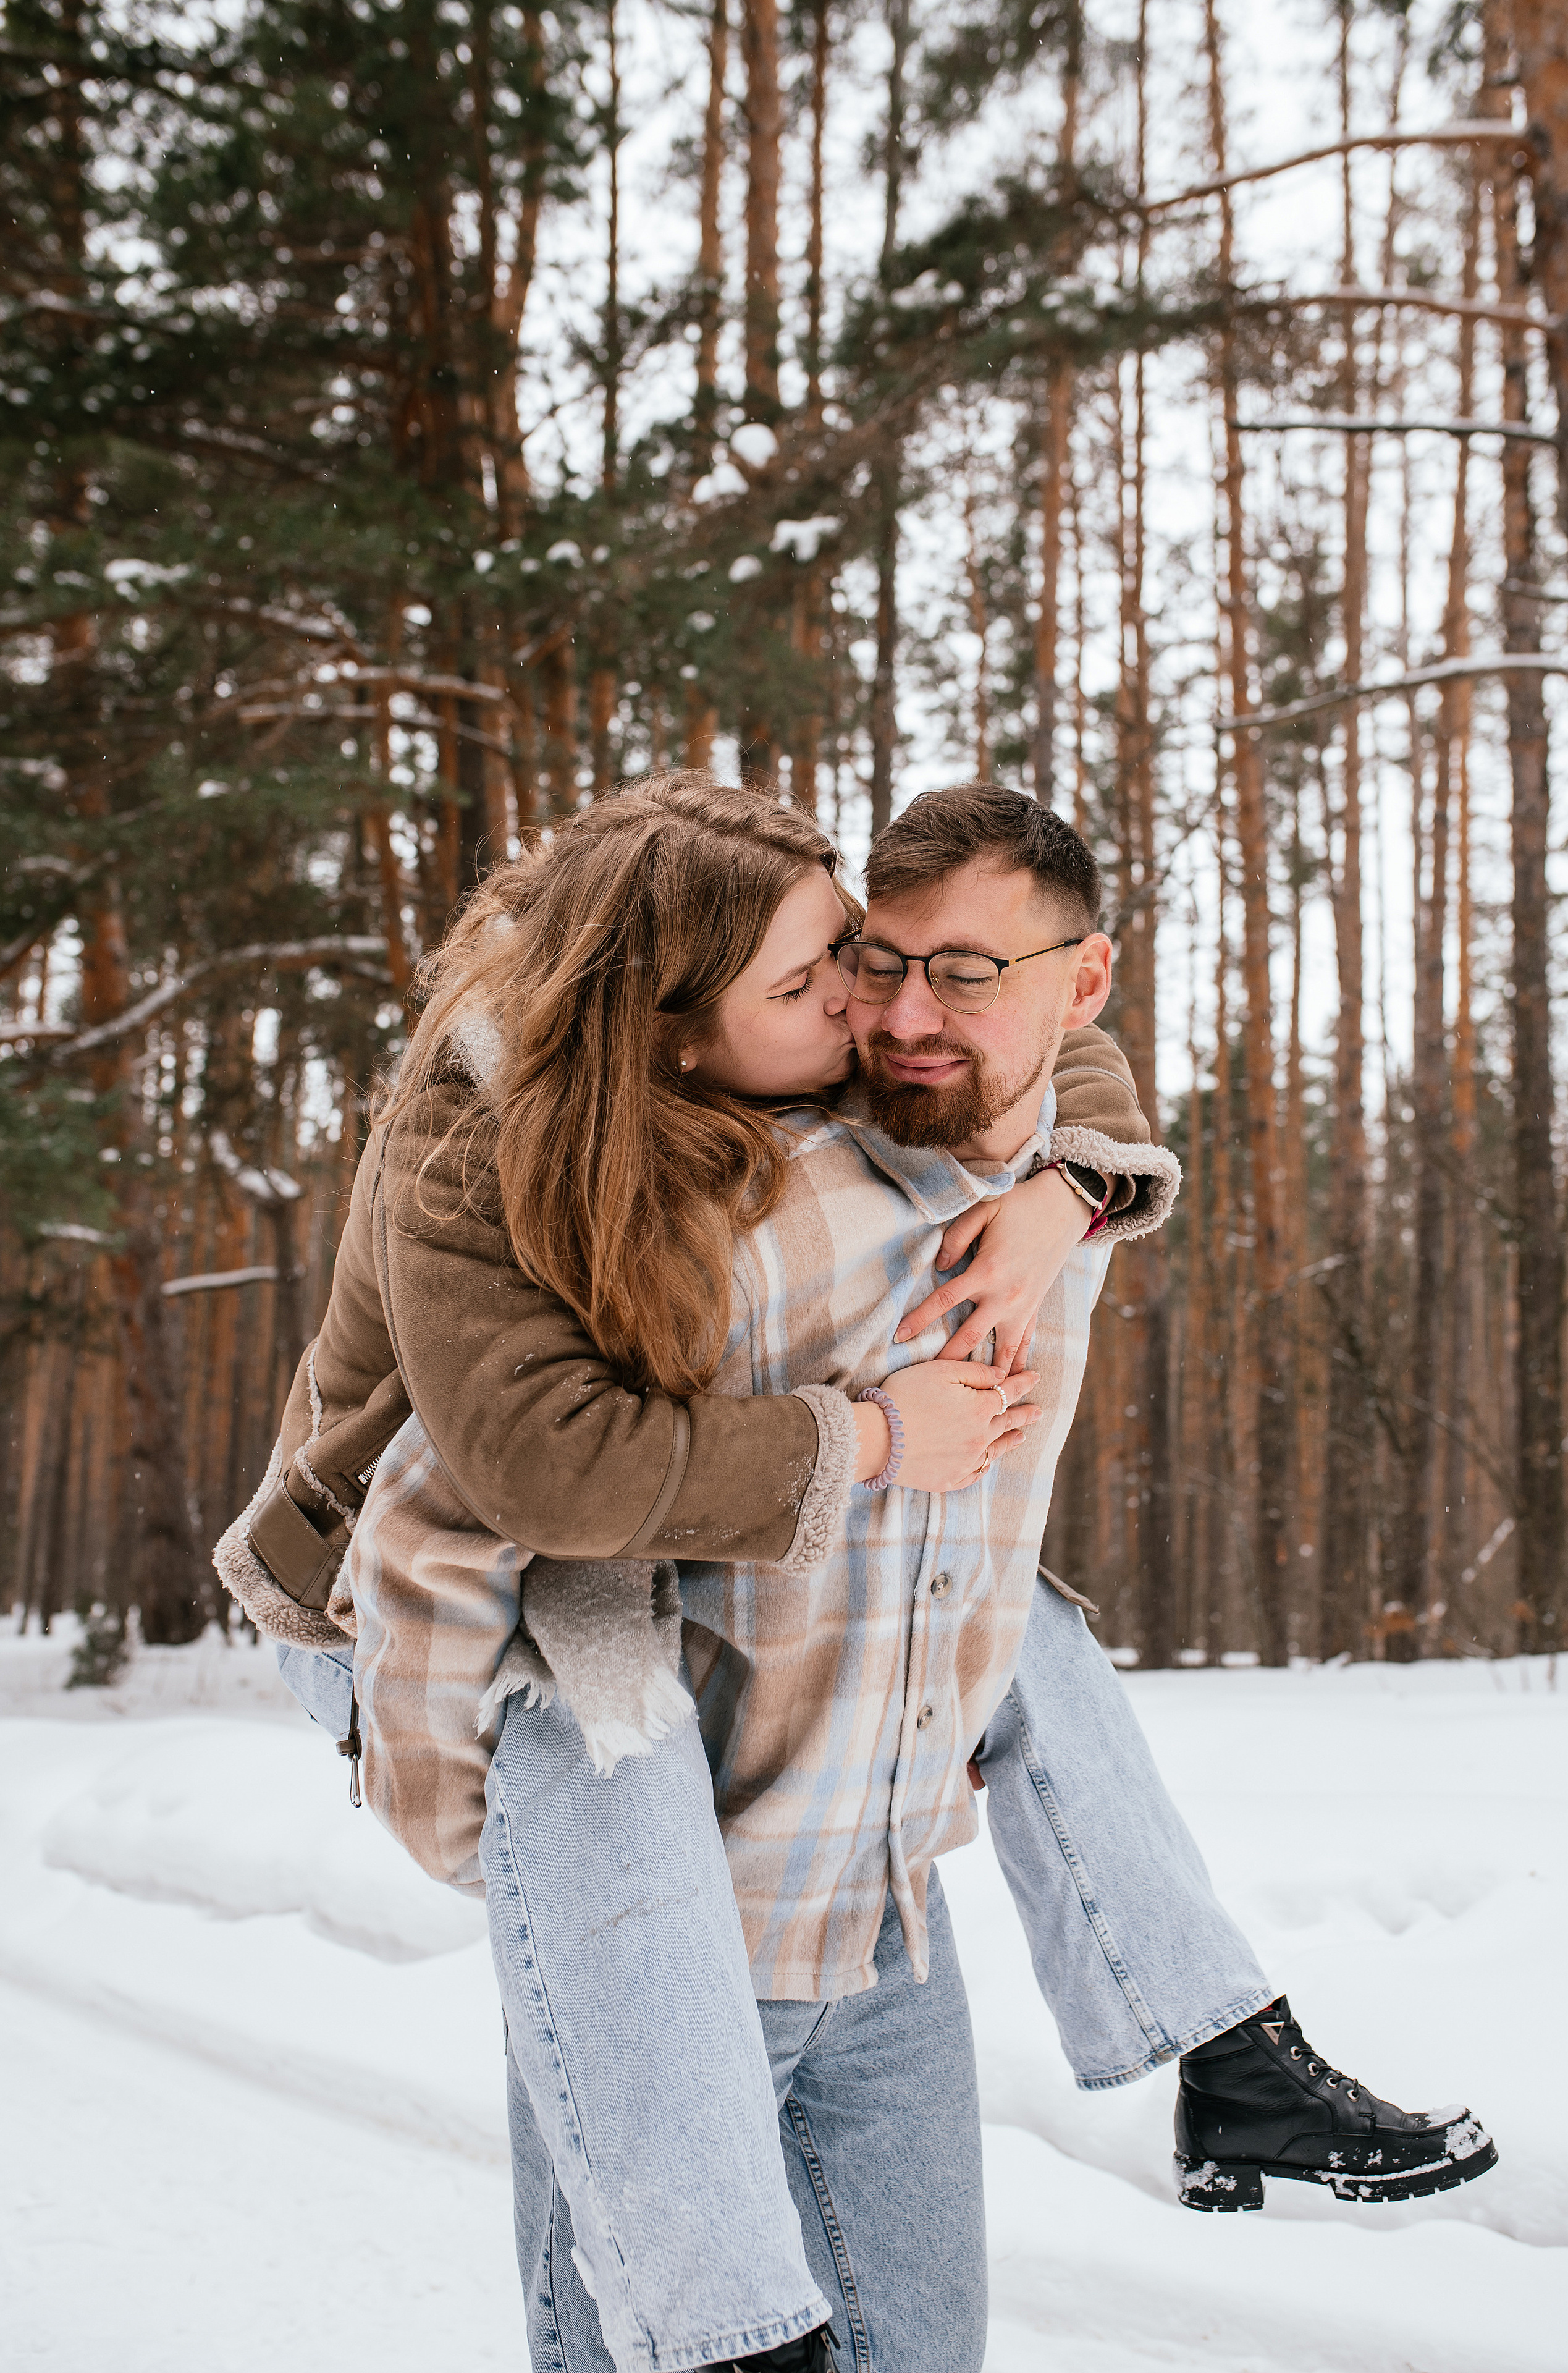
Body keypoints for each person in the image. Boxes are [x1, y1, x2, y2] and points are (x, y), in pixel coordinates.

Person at [219, 777, 1494, 2373]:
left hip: (626, 1509)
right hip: (378, 1584)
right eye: (826, 980)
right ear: (684, 1030)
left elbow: (1036, 1029)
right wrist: (879, 1436)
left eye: (866, 957)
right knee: (593, 1710)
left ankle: (1224, 2044)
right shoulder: (475, 1137)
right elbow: (546, 1474)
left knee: (997, 1601)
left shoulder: (770, 1050)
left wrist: (1068, 1186)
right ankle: (725, 2327)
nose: (871, 1009)